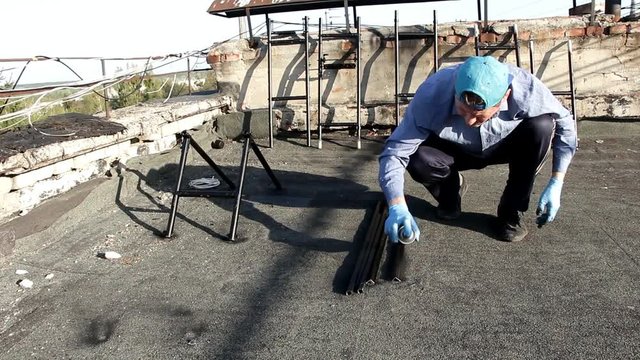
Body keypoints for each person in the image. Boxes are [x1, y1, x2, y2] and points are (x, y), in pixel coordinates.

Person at [379, 56, 576, 243]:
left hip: (505, 145)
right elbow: (395, 153)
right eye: (462, 111)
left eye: (479, 115)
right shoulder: (433, 92)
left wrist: (557, 180)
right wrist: (397, 205)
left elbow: (565, 122)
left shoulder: (526, 89)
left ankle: (511, 211)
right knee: (417, 158)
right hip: (454, 150)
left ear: (505, 97)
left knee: (542, 126)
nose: (469, 121)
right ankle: (449, 192)